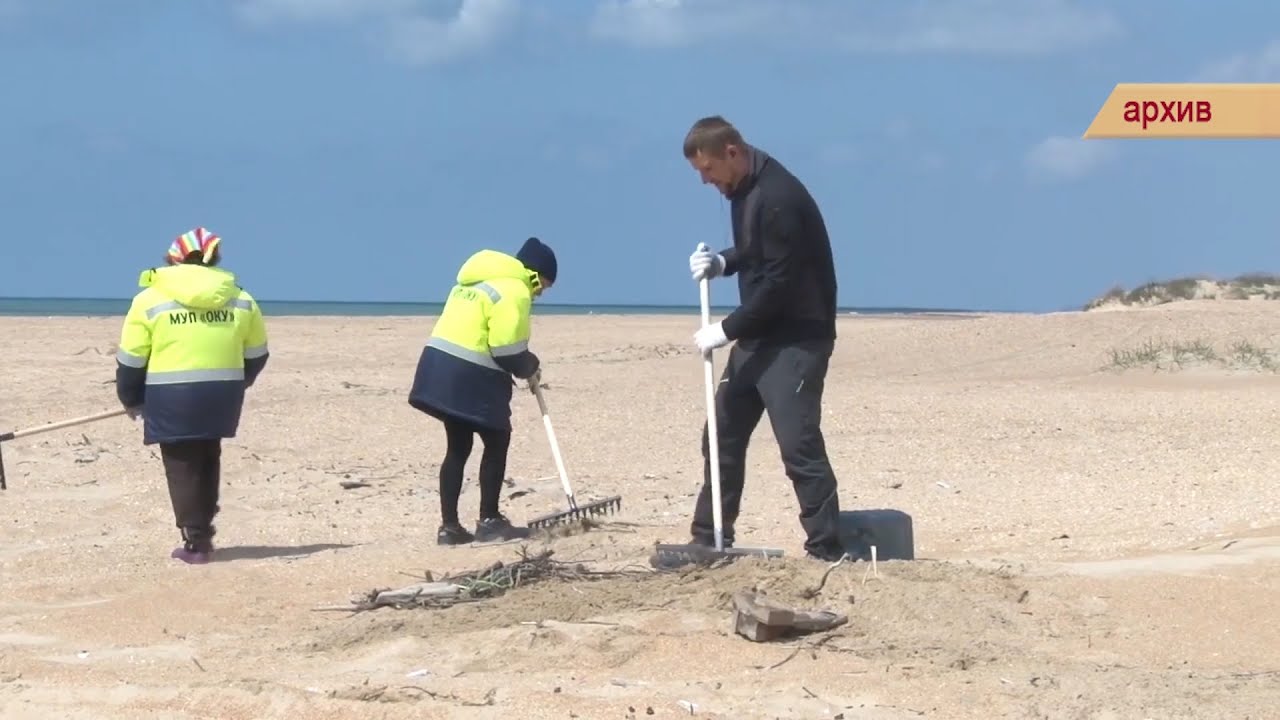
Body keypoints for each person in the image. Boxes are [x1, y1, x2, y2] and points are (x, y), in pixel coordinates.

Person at [682, 115, 846, 562]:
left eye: (708, 170)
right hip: (759, 336)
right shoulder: (742, 189)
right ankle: (708, 538)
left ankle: (826, 548)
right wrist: (723, 262)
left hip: (796, 339)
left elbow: (780, 285)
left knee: (798, 444)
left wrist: (725, 330)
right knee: (721, 435)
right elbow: (757, 250)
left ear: (731, 152)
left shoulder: (778, 197)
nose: (705, 181)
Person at [115, 227, 270, 565]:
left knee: (182, 463)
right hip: (222, 392)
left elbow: (131, 358)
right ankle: (203, 528)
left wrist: (130, 397)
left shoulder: (150, 300)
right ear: (215, 259)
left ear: (172, 259)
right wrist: (239, 382)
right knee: (207, 454)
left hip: (171, 394)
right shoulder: (241, 297)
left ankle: (196, 542)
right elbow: (257, 353)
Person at [408, 237, 557, 546]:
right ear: (535, 273)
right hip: (471, 371)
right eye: (544, 284)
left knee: (458, 446)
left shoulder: (474, 282)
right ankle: (489, 520)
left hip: (439, 366)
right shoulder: (515, 290)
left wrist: (523, 363)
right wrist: (530, 364)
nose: (541, 292)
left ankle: (449, 527)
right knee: (497, 437)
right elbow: (506, 349)